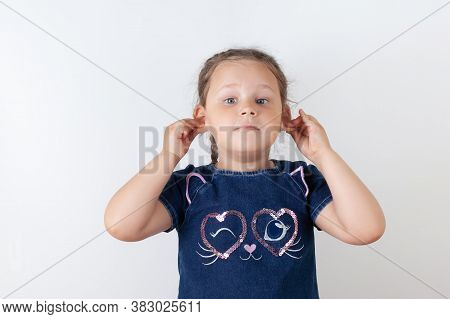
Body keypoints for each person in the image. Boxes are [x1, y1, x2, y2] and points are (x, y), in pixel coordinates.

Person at [104, 47, 386, 299]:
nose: (248, 109)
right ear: (203, 118)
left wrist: (324, 155)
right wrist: (168, 156)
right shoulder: (190, 185)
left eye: (262, 100)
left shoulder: (301, 180)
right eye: (230, 100)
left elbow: (365, 230)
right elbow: (123, 225)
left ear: (285, 118)